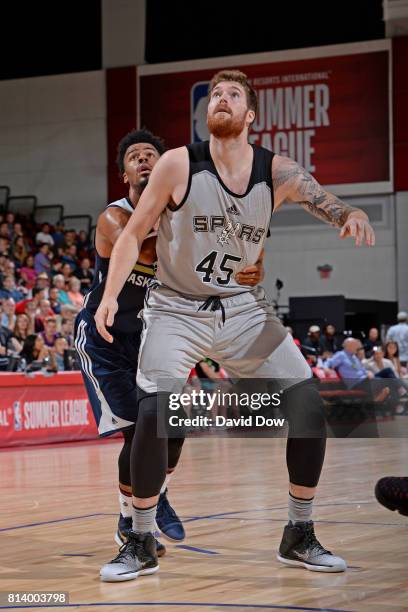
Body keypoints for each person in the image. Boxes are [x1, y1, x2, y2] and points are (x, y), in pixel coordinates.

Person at [95, 70, 376, 580]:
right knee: (157, 412)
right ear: (207, 114)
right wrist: (110, 295)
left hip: (243, 309)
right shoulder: (179, 163)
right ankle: (138, 538)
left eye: (233, 95)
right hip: (176, 309)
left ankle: (299, 532)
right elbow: (134, 234)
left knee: (308, 403)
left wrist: (349, 213)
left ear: (250, 116)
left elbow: (323, 199)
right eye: (215, 95)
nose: (221, 100)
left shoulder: (277, 170)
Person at [77, 127, 264, 562]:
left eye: (151, 156)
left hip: (156, 335)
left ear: (165, 167)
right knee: (140, 432)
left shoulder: (184, 215)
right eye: (134, 157)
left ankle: (156, 493)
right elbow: (144, 250)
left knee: (175, 428)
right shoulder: (114, 216)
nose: (142, 160)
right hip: (107, 339)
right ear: (124, 173)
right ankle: (129, 520)